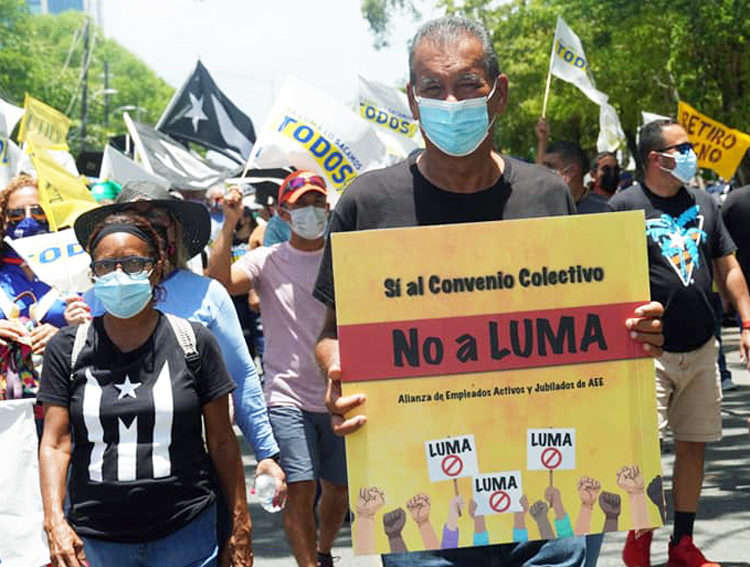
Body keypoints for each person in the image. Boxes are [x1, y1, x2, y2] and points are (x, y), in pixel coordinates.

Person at [313, 15, 664, 567]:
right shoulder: (367, 204)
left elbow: (580, 321)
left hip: (553, 496)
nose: (450, 102)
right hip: (422, 501)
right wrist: (337, 375)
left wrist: (637, 332)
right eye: (433, 88)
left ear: (497, 95)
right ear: (412, 99)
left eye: (467, 86)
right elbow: (332, 336)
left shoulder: (547, 196)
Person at [38, 211, 252, 567]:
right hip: (96, 542)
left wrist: (240, 522)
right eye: (107, 267)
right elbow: (55, 443)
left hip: (186, 535)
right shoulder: (67, 347)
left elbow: (223, 441)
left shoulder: (193, 341)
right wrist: (54, 521)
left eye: (134, 263)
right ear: (93, 274)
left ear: (157, 267)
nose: (120, 275)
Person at [67, 181, 285, 496]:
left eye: (157, 217)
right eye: (135, 220)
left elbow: (242, 377)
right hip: (109, 474)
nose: (148, 227)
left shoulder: (208, 295)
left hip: (192, 468)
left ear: (173, 231)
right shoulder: (94, 300)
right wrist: (73, 333)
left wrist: (267, 452)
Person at [608, 118, 750, 567]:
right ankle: (639, 537)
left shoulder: (705, 203)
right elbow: (603, 279)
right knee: (643, 447)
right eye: (682, 148)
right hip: (644, 351)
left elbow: (727, 267)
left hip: (702, 346)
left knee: (694, 444)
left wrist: (747, 322)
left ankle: (682, 544)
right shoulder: (622, 207)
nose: (691, 154)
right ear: (656, 158)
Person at [209, 171, 348, 567]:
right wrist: (229, 222)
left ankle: (322, 552)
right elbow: (220, 280)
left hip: (341, 392)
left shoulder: (346, 258)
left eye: (316, 203)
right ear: (282, 214)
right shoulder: (267, 260)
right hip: (287, 397)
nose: (310, 211)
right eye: (300, 204)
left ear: (328, 208)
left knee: (338, 489)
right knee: (301, 489)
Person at [0, 175, 65, 412]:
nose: (28, 220)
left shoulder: (76, 270)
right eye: (17, 214)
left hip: (60, 397)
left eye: (37, 211)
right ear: (4, 219)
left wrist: (66, 336)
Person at [542, 140, 608, 214]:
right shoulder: (538, 207)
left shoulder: (605, 210)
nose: (542, 172)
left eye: (549, 166)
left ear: (570, 171)